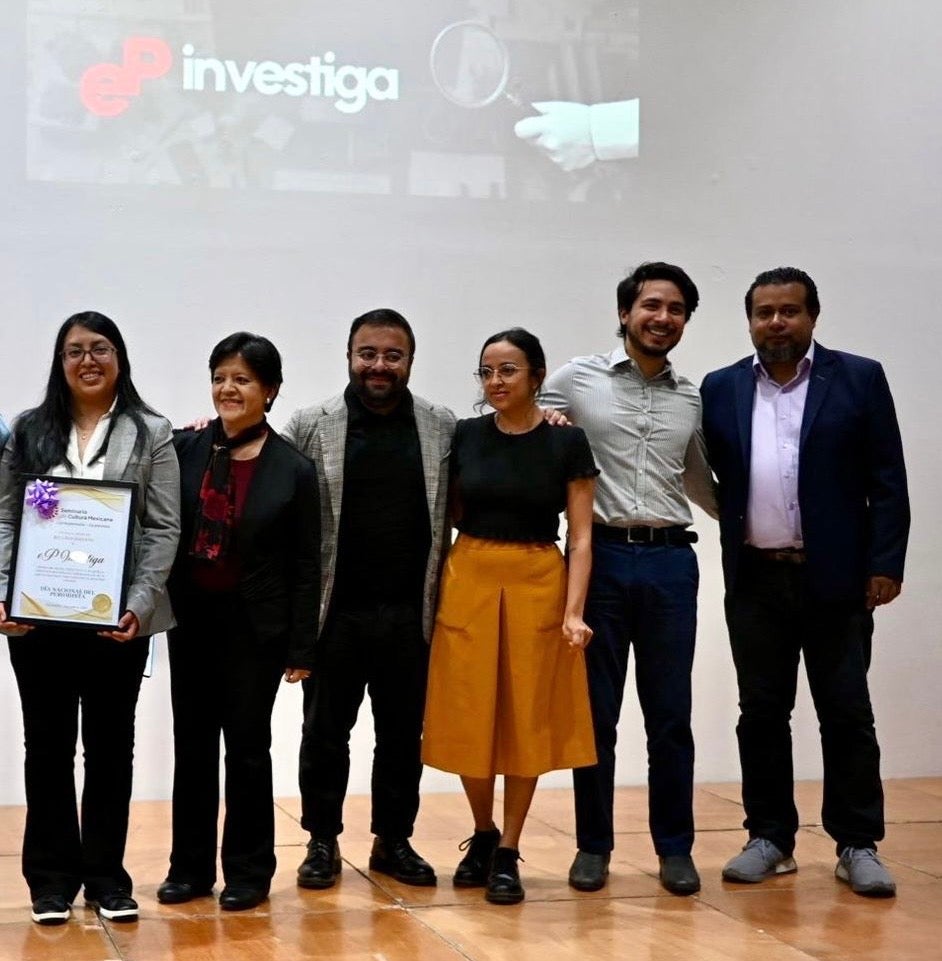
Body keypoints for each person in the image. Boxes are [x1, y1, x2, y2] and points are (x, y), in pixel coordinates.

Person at [701, 267, 909, 898]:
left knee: (846, 712)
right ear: (749, 320)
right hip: (757, 579)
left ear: (813, 316)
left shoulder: (860, 378)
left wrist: (884, 564)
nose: (776, 323)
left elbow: (888, 480)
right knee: (761, 713)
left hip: (838, 580)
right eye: (764, 312)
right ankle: (769, 837)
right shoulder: (721, 387)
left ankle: (857, 843)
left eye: (789, 311)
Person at [541, 262, 718, 896]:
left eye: (675, 309)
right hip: (602, 560)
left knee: (671, 714)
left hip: (672, 561)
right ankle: (594, 846)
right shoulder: (577, 380)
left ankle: (675, 848)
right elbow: (518, 426)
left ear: (684, 321)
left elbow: (698, 478)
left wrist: (764, 527)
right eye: (651, 305)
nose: (662, 317)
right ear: (625, 313)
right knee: (597, 714)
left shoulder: (692, 396)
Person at [0, 311, 180, 926]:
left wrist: (139, 602)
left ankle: (106, 878)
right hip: (38, 621)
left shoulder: (150, 431)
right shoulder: (27, 431)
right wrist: (4, 593)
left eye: (100, 348)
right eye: (75, 351)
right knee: (46, 749)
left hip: (115, 621)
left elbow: (162, 527)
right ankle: (50, 883)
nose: (88, 360)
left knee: (110, 750)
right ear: (60, 362)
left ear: (119, 358)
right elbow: (4, 519)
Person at [422, 328, 598, 905]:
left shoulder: (566, 441)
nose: (496, 382)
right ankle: (481, 831)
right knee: (472, 712)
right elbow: (443, 515)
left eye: (509, 370)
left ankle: (508, 849)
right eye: (487, 372)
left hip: (537, 581)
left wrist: (574, 612)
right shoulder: (465, 436)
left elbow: (581, 535)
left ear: (538, 376)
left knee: (526, 716)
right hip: (468, 575)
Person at [285, 308, 455, 889]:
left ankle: (393, 840)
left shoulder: (441, 426)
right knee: (325, 734)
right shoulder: (310, 424)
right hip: (336, 614)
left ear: (409, 360)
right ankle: (322, 841)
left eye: (392, 355)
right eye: (368, 354)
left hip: (412, 612)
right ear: (349, 356)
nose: (379, 366)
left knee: (403, 735)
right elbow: (265, 472)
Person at [157, 332, 320, 912]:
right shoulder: (185, 448)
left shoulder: (292, 469)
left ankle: (249, 872)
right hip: (192, 621)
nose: (229, 388)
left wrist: (303, 646)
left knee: (248, 749)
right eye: (222, 377)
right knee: (191, 745)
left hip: (256, 630)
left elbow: (307, 564)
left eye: (244, 379)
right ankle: (190, 869)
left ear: (269, 391)